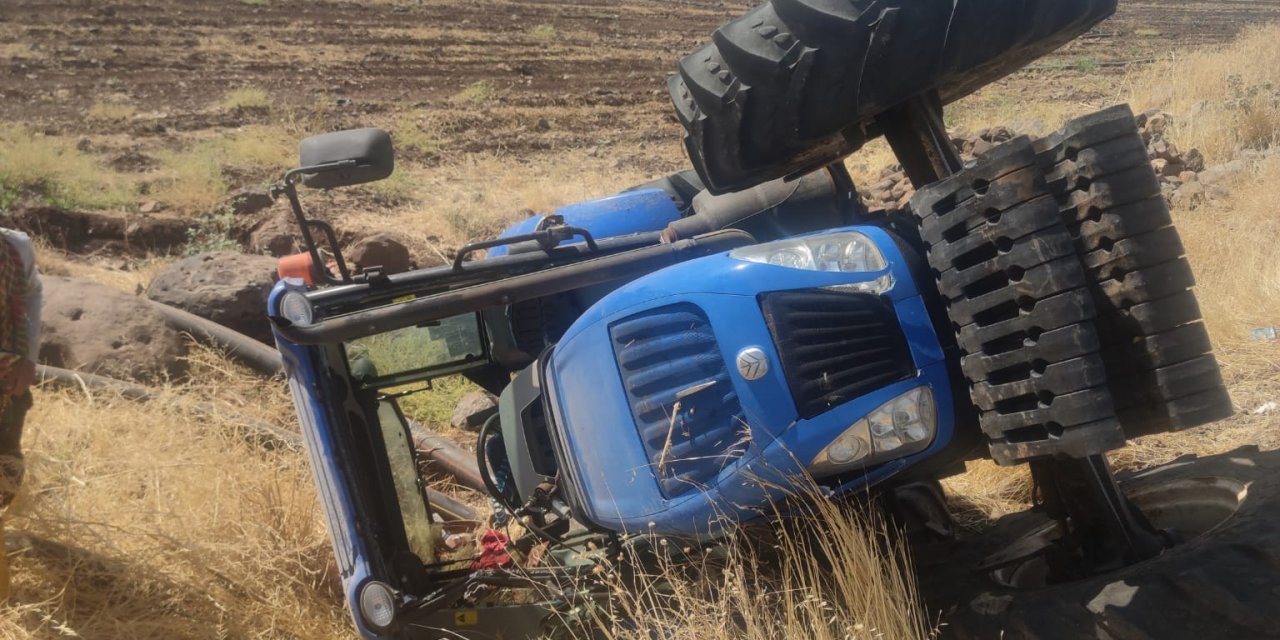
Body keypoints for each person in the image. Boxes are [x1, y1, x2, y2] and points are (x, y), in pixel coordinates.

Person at [0, 227, 41, 600]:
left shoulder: (14, 247)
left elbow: (30, 297)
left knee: (6, 467)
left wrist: (28, 358)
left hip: (6, 378)